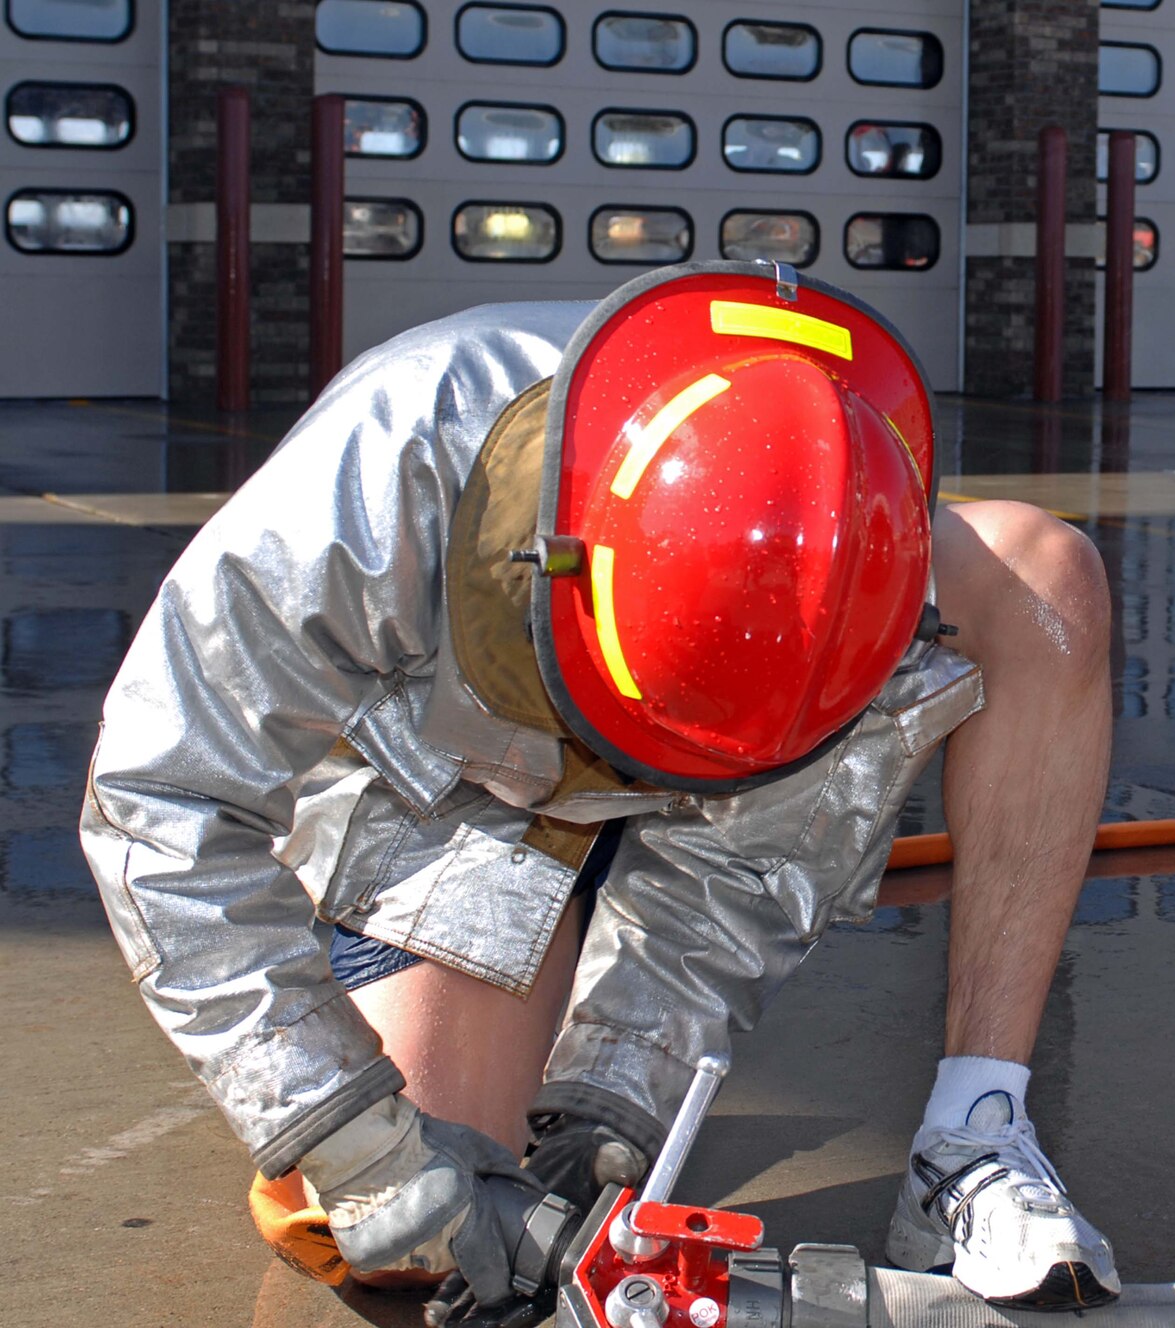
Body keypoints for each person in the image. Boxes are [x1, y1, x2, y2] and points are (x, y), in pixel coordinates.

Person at [79, 263, 1122, 1321]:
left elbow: (743, 853)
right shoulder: (397, 458)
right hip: (452, 786)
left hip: (690, 743)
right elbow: (160, 797)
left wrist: (610, 1100)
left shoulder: (830, 537)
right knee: (416, 1223)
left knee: (1044, 578)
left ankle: (974, 1130)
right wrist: (352, 1137)